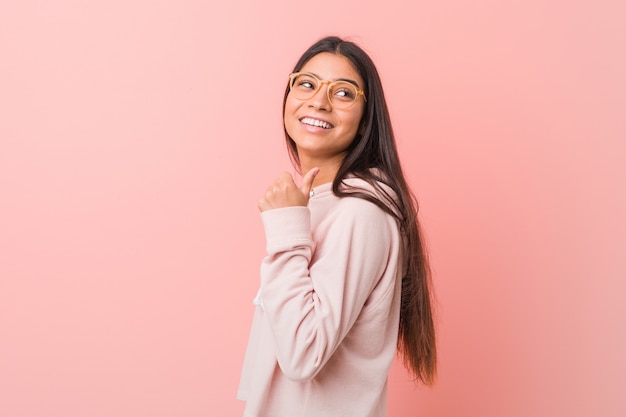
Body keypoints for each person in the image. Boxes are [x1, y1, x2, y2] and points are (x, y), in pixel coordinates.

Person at [237, 35, 437, 417]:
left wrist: (285, 229)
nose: (319, 101)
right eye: (307, 83)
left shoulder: (360, 212)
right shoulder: (322, 202)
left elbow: (302, 356)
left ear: (366, 122)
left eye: (343, 93)